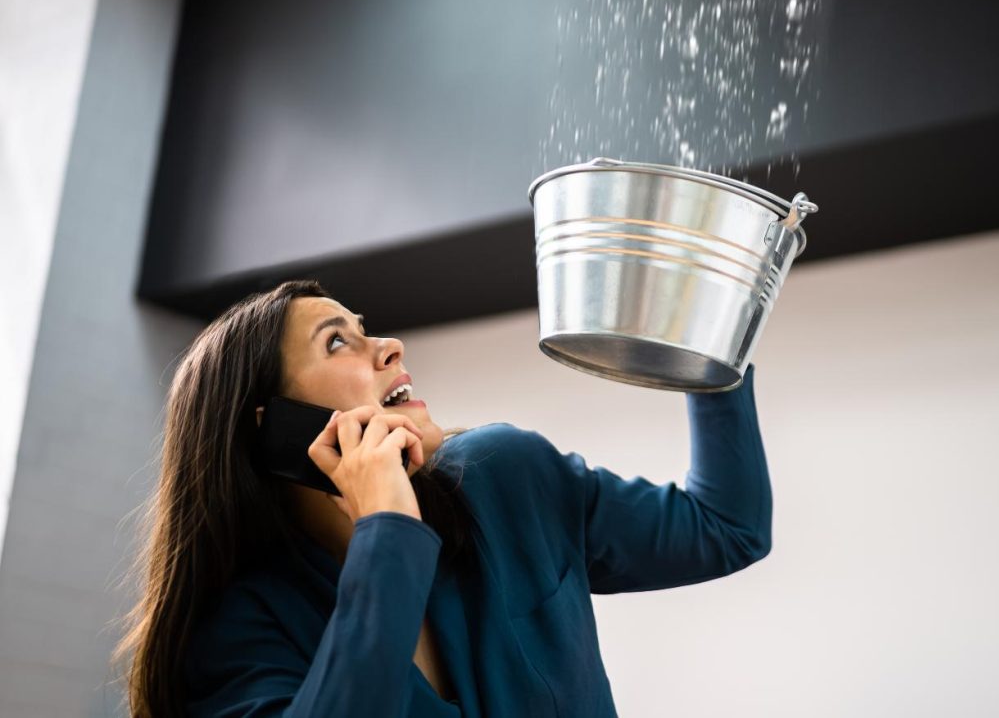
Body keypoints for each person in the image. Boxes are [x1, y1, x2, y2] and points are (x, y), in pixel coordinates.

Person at [112, 278, 772, 717]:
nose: (389, 345)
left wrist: (715, 340)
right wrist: (387, 530)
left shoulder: (507, 475)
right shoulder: (239, 639)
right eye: (338, 341)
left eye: (365, 327)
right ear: (276, 428)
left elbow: (726, 526)